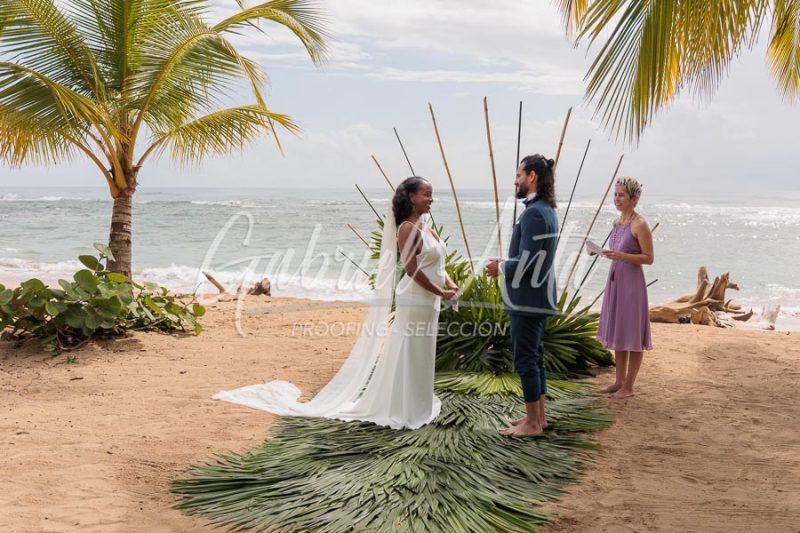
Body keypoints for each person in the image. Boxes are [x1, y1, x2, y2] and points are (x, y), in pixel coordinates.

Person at [212, 177, 458, 430]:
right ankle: (403, 406)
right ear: (411, 197)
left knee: (422, 350)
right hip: (416, 298)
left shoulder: (426, 225)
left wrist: (449, 284)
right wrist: (441, 291)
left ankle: (417, 402)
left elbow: (436, 262)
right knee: (409, 349)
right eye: (426, 194)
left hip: (430, 299)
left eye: (432, 194)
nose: (431, 199)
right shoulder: (407, 228)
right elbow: (412, 268)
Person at [486, 154, 559, 437]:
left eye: (518, 175)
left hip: (528, 298)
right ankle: (538, 418)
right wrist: (506, 261)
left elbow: (529, 263)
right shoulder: (545, 209)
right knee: (536, 358)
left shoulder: (535, 212)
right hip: (538, 297)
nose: (515, 180)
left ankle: (532, 424)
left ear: (532, 177)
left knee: (526, 360)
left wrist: (501, 266)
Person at [595, 176, 654, 399]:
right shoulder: (617, 223)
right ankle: (618, 382)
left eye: (621, 195)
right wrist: (599, 252)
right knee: (620, 333)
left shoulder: (640, 224)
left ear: (634, 198)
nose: (617, 199)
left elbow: (648, 258)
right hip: (615, 283)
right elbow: (615, 251)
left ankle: (629, 386)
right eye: (615, 194)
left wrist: (621, 256)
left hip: (632, 285)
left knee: (633, 335)